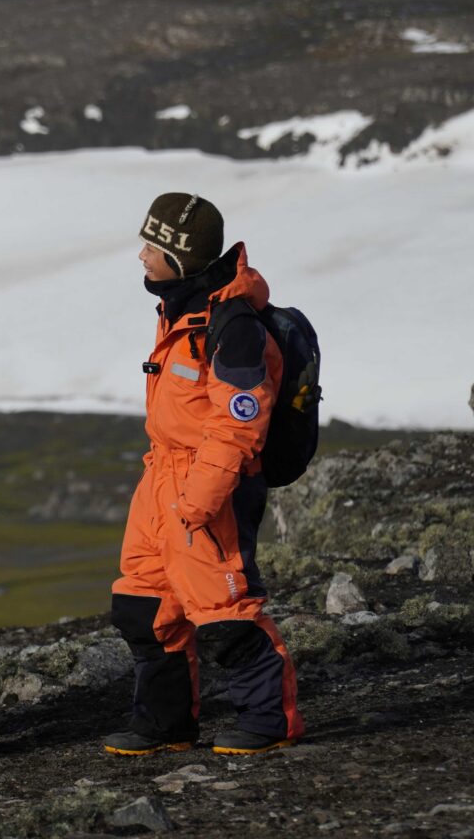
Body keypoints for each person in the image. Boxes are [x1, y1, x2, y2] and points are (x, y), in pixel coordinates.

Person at [106, 193, 304, 758]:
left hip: (208, 485)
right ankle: (166, 724)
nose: (142, 254)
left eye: (154, 245)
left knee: (225, 613)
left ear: (183, 255)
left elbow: (239, 426)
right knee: (143, 604)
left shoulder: (232, 324)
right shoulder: (181, 308)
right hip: (161, 477)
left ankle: (269, 720)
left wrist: (199, 502)